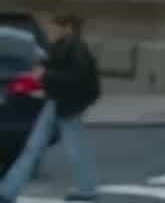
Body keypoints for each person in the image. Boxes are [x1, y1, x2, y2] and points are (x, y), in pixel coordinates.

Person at [0, 12, 101, 203]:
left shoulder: (76, 48)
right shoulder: (66, 46)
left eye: (55, 28)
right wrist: (43, 72)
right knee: (35, 146)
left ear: (68, 28)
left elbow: (76, 76)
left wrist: (45, 76)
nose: (51, 31)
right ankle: (8, 190)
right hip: (58, 101)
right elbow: (58, 67)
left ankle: (88, 189)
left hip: (67, 104)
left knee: (73, 148)